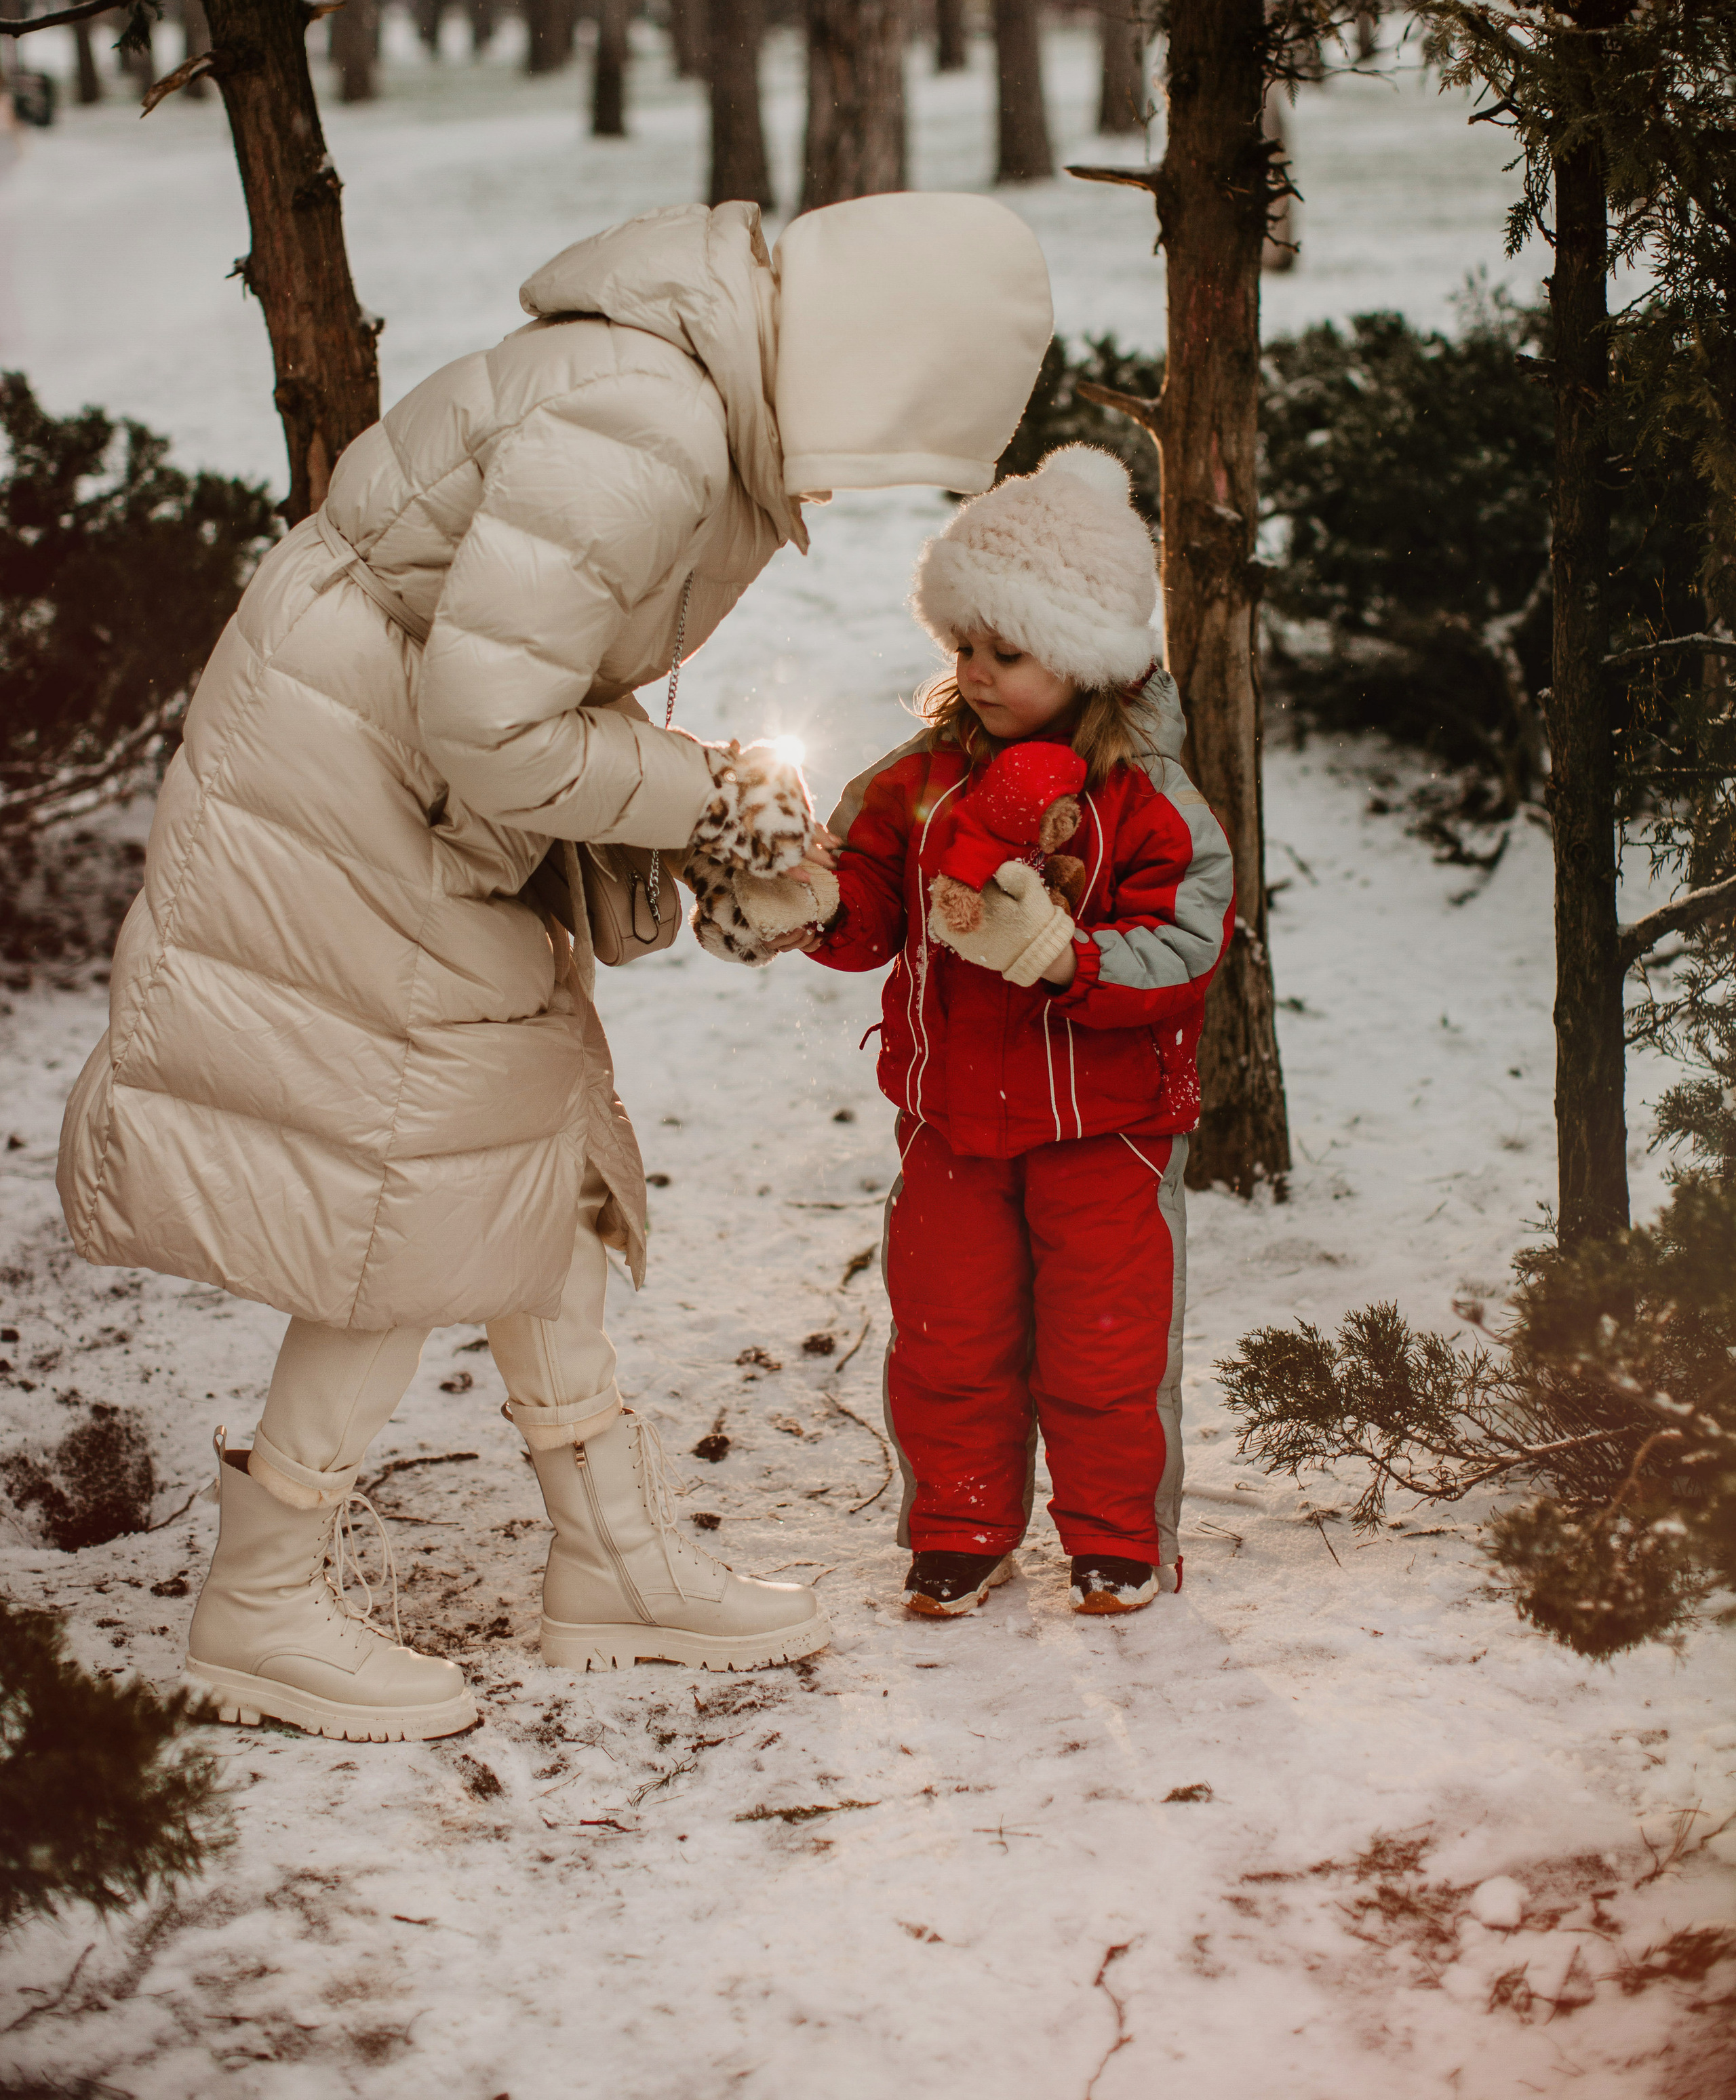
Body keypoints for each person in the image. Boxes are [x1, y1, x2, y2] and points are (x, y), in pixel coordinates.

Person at [56, 194, 1054, 1739]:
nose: (858, 485)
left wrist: (688, 830)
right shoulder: (648, 416)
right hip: (358, 766)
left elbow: (520, 694)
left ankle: (606, 1552)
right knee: (422, 1164)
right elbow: (498, 728)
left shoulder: (690, 394)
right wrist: (704, 795)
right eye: (891, 441)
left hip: (412, 758)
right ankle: (260, 1604)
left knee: (526, 1139)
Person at [778, 446, 1232, 1617]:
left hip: (1106, 1135)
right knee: (947, 1338)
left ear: (1080, 656)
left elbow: (1184, 951)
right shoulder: (919, 782)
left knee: (1106, 1348)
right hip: (951, 1132)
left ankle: (1118, 1537)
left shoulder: (1151, 804)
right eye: (962, 648)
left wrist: (1064, 959)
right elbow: (870, 906)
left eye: (1006, 652)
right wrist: (814, 900)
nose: (975, 674)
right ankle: (963, 1524)